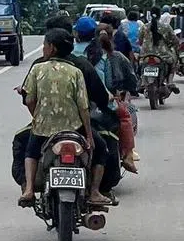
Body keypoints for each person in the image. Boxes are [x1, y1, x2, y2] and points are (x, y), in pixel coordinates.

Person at [10, 15, 120, 201]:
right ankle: (95, 191)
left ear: (52, 45)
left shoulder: (38, 66)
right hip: (77, 126)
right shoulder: (79, 67)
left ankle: (28, 188)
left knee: (26, 146)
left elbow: (29, 99)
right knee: (103, 147)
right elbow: (87, 104)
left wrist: (38, 118)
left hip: (44, 127)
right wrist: (89, 134)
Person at [98, 29, 139, 174]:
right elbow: (130, 77)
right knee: (126, 116)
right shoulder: (114, 56)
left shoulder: (82, 55)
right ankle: (128, 154)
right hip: (109, 101)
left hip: (87, 101)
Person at [138, 10, 180, 91]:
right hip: (163, 55)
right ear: (160, 15)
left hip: (145, 55)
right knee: (174, 62)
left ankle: (143, 81)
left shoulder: (144, 26)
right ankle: (170, 82)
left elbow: (140, 41)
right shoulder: (166, 27)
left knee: (140, 64)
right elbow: (175, 41)